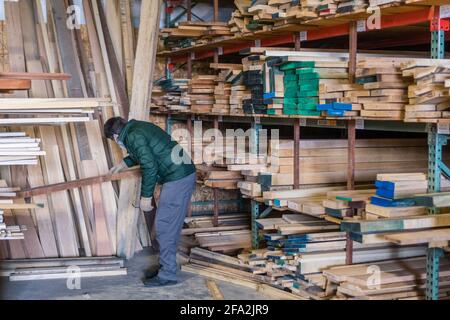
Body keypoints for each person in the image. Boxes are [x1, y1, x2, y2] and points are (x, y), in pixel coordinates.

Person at [104, 117, 196, 287]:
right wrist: (124, 163)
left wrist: (146, 197)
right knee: (168, 227)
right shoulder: (137, 128)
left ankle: (168, 274)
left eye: (114, 141)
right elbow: (145, 151)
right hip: (181, 174)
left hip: (177, 178)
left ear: (116, 136)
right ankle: (166, 267)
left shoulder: (132, 136)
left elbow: (149, 167)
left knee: (164, 226)